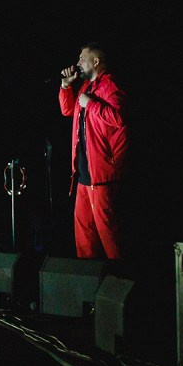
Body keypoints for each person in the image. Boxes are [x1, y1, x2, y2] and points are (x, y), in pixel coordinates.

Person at [59, 42, 129, 261]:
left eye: (82, 58)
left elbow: (119, 119)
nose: (78, 62)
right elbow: (68, 110)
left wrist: (91, 104)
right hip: (83, 175)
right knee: (85, 238)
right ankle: (88, 284)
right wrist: (65, 87)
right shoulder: (86, 87)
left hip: (101, 176)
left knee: (110, 238)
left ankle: (120, 284)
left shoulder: (110, 86)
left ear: (96, 61)